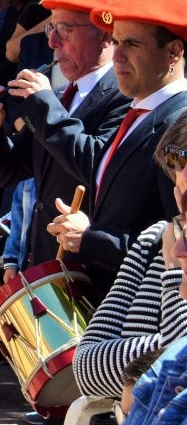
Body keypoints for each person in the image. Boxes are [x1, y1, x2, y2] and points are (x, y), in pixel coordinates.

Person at [1, 0, 187, 294]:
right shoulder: (138, 113)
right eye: (116, 41)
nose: (118, 55)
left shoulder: (180, 125)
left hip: (144, 318)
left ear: (174, 53)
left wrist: (91, 239)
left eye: (132, 43)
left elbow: (176, 248)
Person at [0, 0, 125, 272]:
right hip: (45, 262)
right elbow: (9, 172)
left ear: (105, 35)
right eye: (51, 29)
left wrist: (44, 104)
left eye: (65, 30)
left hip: (92, 269)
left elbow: (96, 165)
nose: (52, 43)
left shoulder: (123, 96)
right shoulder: (61, 97)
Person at [67, 119, 187, 401]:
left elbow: (177, 362)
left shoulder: (171, 245)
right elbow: (84, 367)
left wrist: (172, 269)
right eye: (177, 182)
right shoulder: (153, 240)